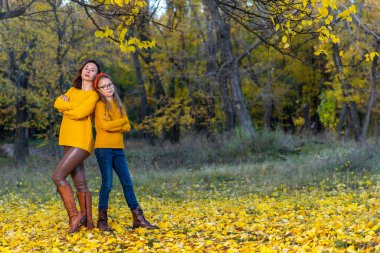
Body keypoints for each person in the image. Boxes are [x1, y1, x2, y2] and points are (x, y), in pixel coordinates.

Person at [93, 73, 158, 231]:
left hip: (118, 149)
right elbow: (105, 126)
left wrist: (116, 124)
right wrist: (120, 122)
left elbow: (128, 126)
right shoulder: (99, 105)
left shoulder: (119, 104)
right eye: (104, 86)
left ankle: (138, 219)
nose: (108, 88)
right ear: (99, 90)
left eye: (110, 84)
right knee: (107, 184)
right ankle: (102, 221)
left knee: (128, 184)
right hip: (104, 149)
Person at [52, 60, 101, 233]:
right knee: (80, 183)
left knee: (58, 176)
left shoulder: (94, 95)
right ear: (81, 71)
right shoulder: (73, 90)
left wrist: (67, 106)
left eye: (92, 69)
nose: (88, 71)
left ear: (96, 75)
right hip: (67, 138)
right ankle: (88, 223)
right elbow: (57, 103)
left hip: (82, 141)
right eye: (86, 68)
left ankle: (74, 215)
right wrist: (69, 106)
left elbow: (80, 113)